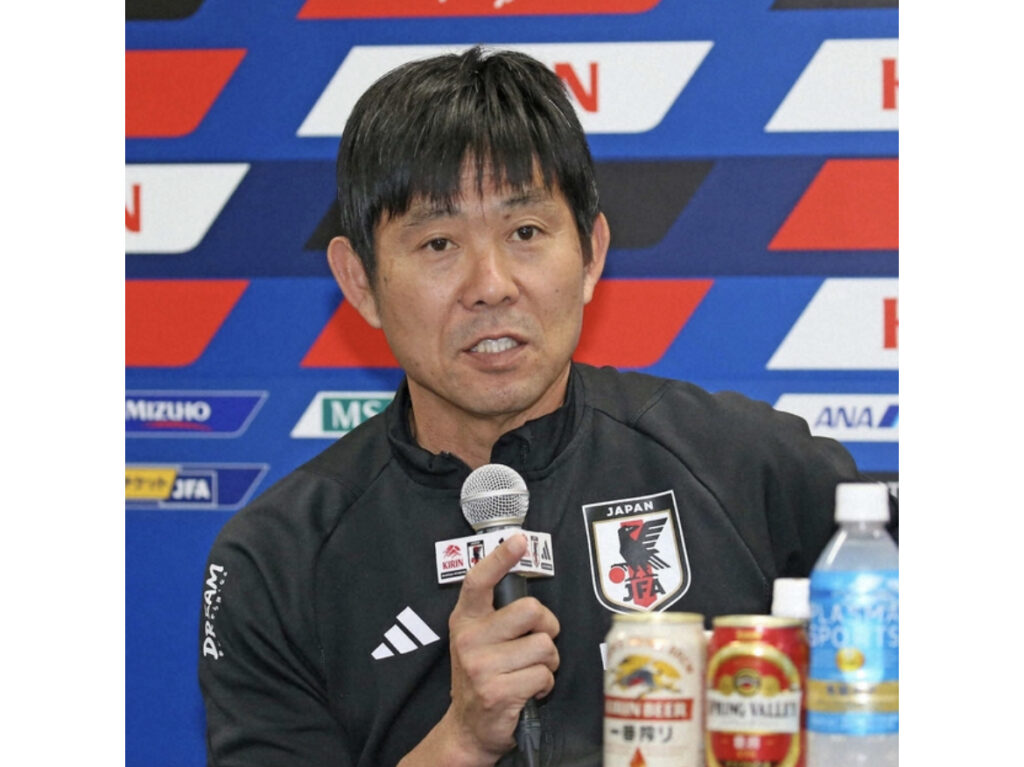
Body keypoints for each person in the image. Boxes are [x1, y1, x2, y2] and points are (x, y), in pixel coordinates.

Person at [198, 46, 892, 766]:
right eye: (438, 243)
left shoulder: (745, 468)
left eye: (525, 233)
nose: (490, 285)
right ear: (360, 281)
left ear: (591, 254)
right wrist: (460, 741)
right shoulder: (278, 560)